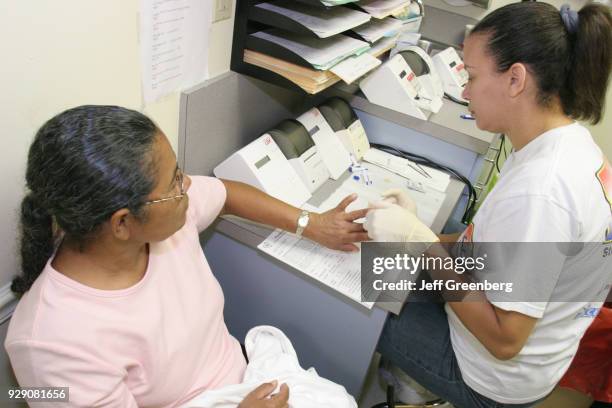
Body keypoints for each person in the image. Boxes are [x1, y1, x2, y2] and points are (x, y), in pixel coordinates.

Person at [5, 105, 369, 407]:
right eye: (175, 182)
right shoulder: (50, 346)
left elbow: (226, 193)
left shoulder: (164, 222)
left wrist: (312, 224)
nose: (189, 185)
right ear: (122, 223)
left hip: (244, 378)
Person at [364, 2, 612, 407]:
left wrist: (420, 243)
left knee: (355, 288)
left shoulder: (543, 191)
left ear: (516, 79)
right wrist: (419, 231)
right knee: (379, 265)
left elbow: (504, 340)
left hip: (489, 376)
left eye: (472, 76)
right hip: (523, 341)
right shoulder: (562, 143)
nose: (463, 91)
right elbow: (496, 244)